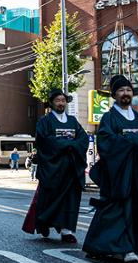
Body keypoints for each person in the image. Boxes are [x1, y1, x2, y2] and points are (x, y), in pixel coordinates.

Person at [83, 75, 138, 263]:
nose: (125, 94)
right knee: (116, 209)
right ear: (114, 95)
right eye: (121, 91)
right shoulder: (108, 118)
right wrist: (136, 140)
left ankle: (130, 245)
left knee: (136, 209)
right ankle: (123, 248)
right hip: (117, 174)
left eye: (128, 90)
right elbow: (107, 142)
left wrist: (129, 141)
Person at [22, 88, 88, 244]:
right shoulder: (44, 122)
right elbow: (45, 141)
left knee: (70, 201)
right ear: (51, 103)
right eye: (57, 100)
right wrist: (69, 144)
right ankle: (44, 223)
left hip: (71, 169)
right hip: (53, 169)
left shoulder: (73, 121)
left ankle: (67, 231)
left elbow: (83, 139)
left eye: (63, 100)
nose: (61, 103)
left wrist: (70, 145)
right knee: (48, 199)